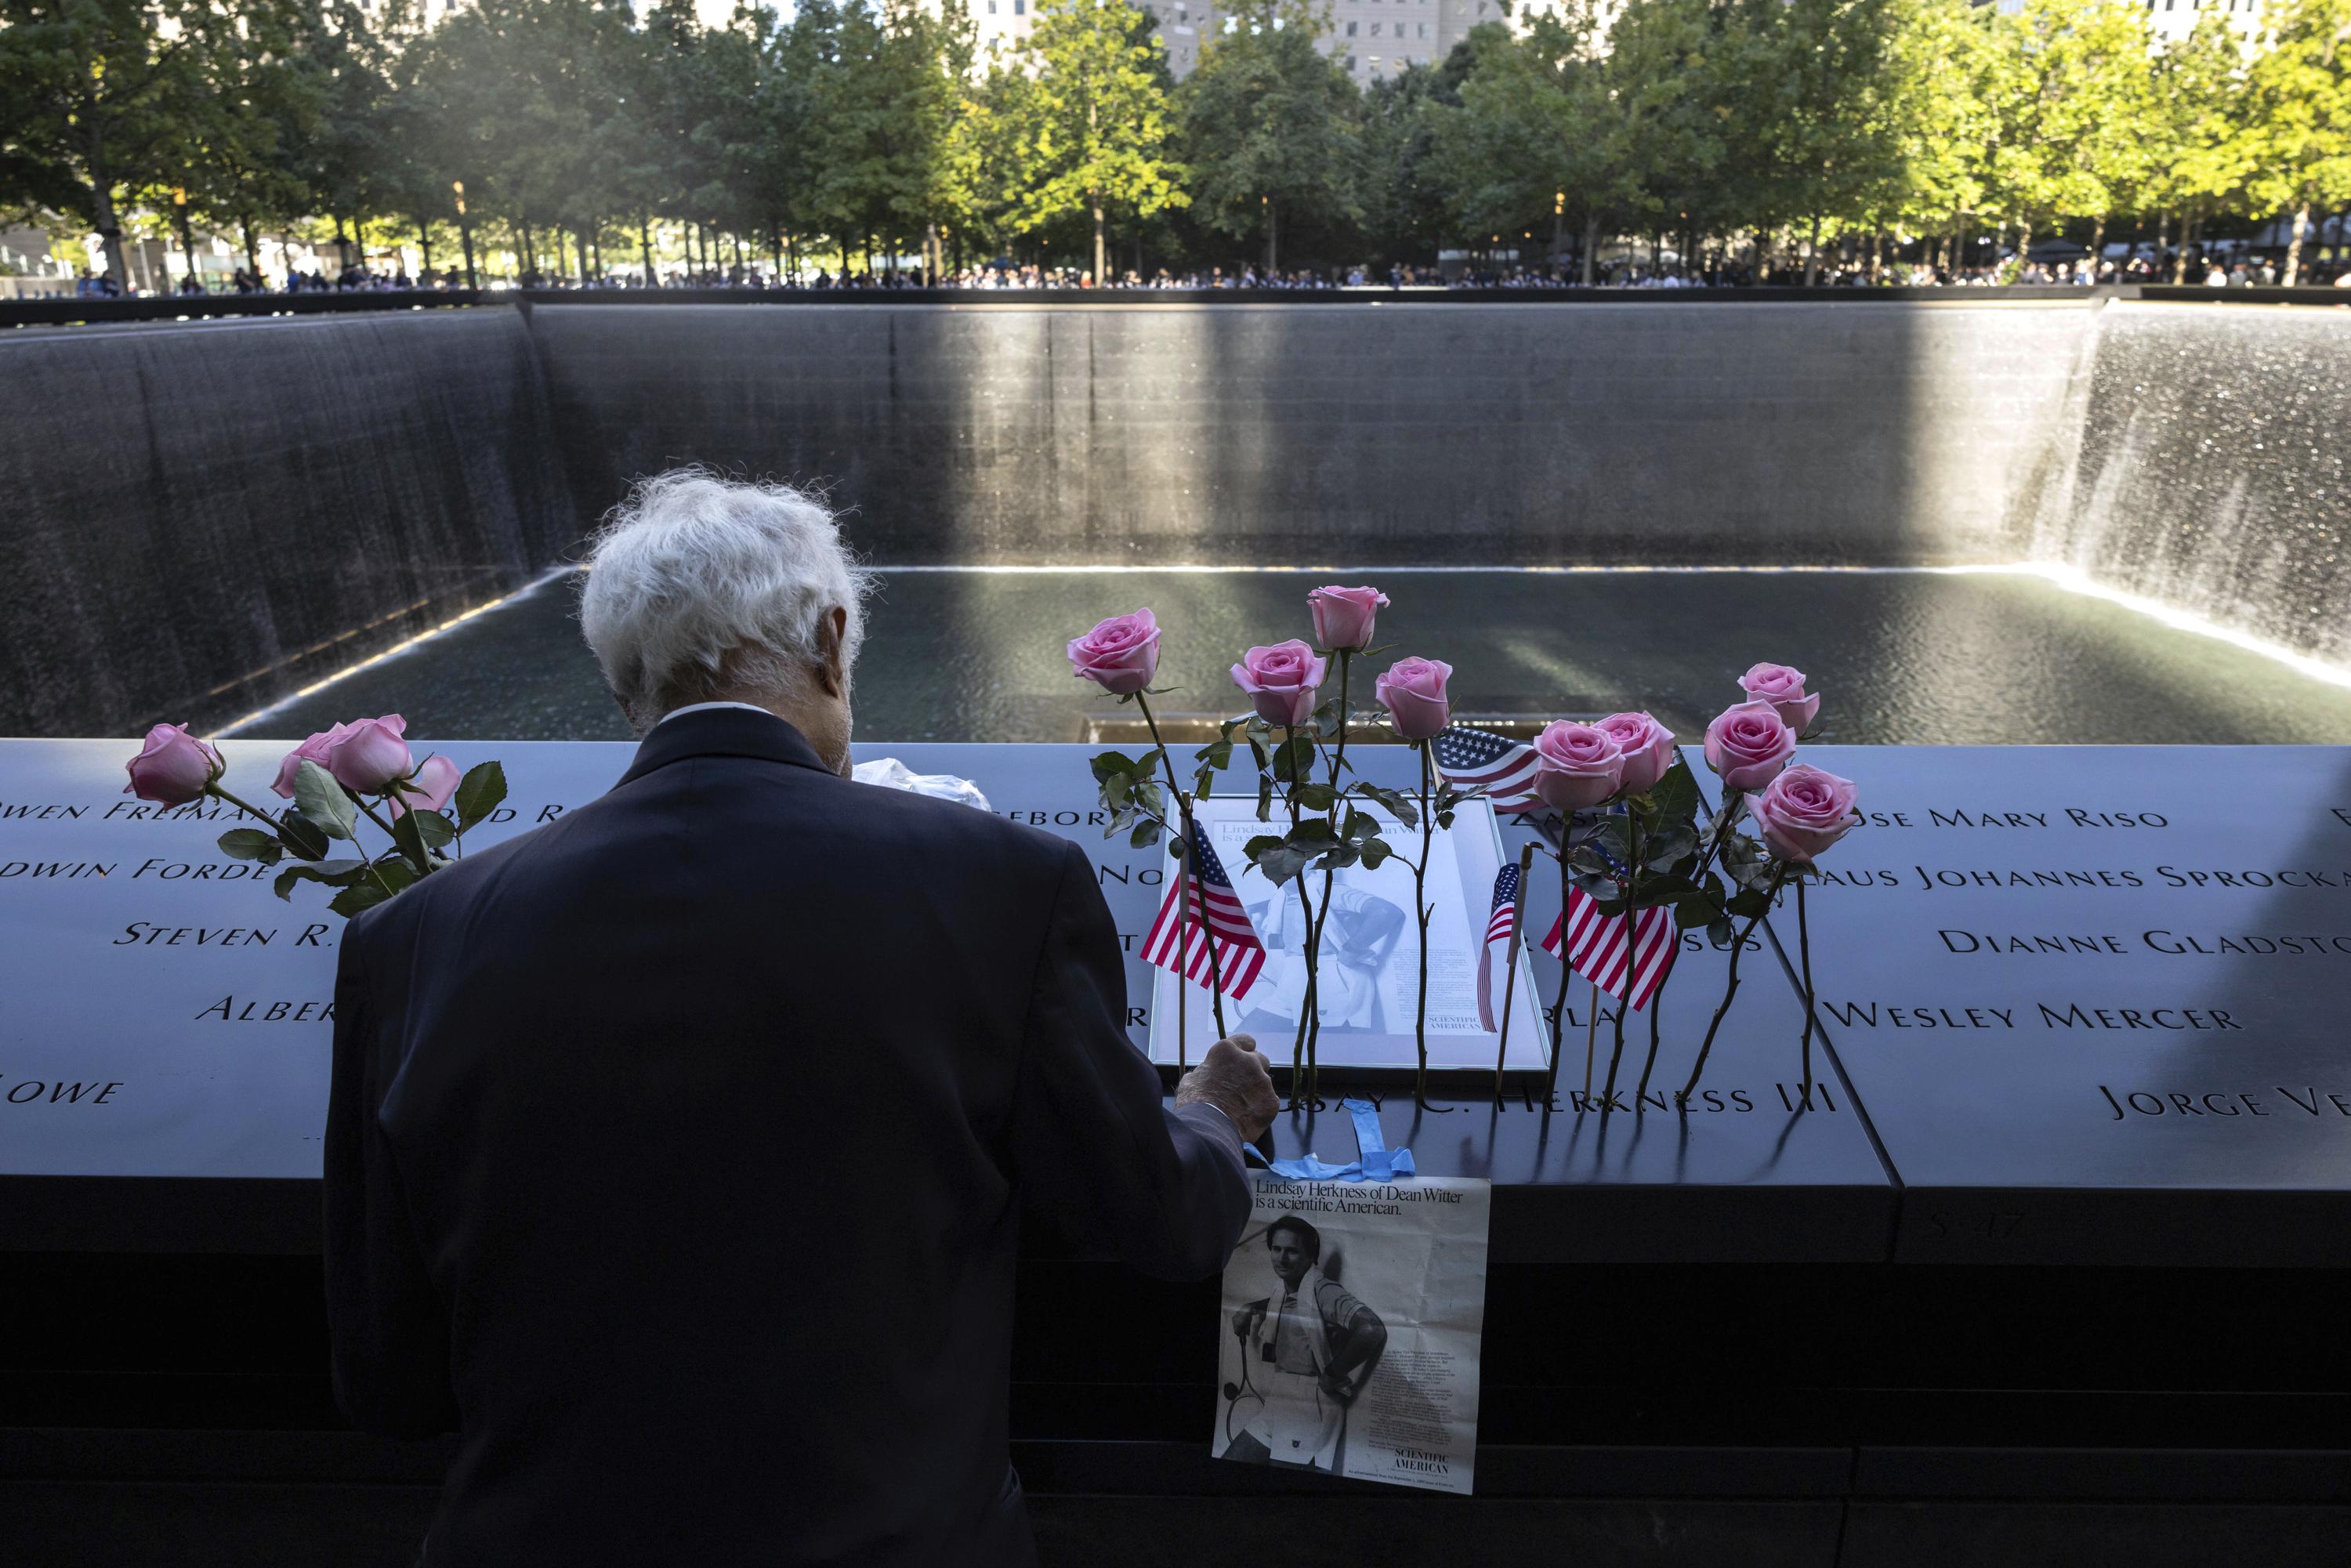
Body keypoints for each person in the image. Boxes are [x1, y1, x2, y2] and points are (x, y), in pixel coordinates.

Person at [324, 470, 1279, 1567]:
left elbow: (386, 1380)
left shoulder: (411, 938)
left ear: (625, 682)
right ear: (831, 642)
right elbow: (1157, 1216)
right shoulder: (1004, 888)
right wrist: (1209, 1116)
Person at [1223, 1216, 1389, 1468]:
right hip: (1282, 1396)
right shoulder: (1287, 1290)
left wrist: (1332, 1374)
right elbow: (1292, 1306)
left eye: (1292, 1251)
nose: (1281, 1258)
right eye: (1276, 1249)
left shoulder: (1323, 1290)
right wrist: (1250, 1308)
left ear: (1311, 1256)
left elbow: (1372, 1329)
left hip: (1310, 1402)